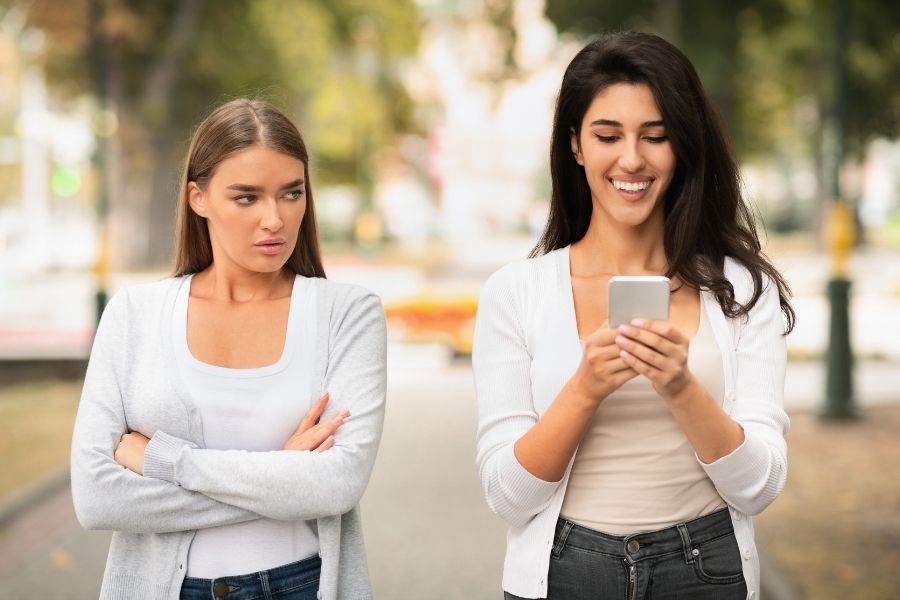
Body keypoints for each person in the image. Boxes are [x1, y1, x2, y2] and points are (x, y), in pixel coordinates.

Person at [473, 32, 794, 600]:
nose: (632, 159)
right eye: (607, 135)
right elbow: (507, 497)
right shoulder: (515, 294)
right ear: (575, 146)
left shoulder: (743, 289)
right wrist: (585, 388)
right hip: (565, 571)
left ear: (683, 146)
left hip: (707, 569)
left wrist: (680, 386)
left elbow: (759, 488)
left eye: (656, 136)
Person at [71, 99, 387, 600]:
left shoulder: (346, 313)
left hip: (301, 585)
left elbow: (336, 486)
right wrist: (284, 473)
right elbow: (96, 498)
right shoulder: (136, 314)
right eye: (246, 198)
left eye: (291, 194)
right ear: (198, 198)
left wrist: (168, 462)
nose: (275, 219)